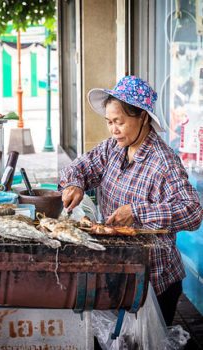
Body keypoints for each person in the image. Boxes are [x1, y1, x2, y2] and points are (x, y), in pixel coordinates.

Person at [59, 75, 203, 326]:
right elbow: (80, 167)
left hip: (155, 281)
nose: (113, 129)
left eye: (120, 122)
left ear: (143, 117)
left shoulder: (163, 162)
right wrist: (75, 184)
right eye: (109, 122)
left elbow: (192, 212)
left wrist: (137, 213)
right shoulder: (113, 148)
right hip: (119, 271)